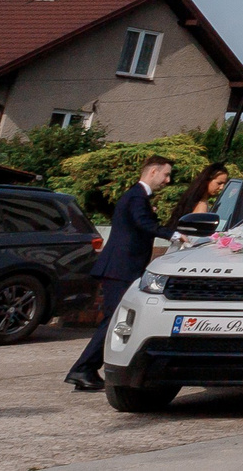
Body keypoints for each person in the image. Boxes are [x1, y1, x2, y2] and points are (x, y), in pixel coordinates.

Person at [67, 156, 173, 392]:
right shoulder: (137, 196)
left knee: (115, 320)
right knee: (116, 320)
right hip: (121, 268)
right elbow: (143, 222)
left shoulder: (137, 196)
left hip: (121, 267)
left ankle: (85, 369)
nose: (167, 180)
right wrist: (173, 235)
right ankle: (83, 368)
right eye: (165, 175)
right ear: (153, 171)